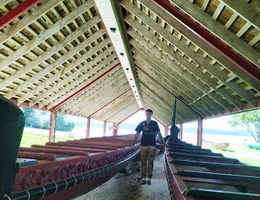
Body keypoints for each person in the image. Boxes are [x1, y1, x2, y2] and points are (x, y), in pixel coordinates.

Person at [132, 109, 167, 185]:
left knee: (150, 162)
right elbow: (137, 133)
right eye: (147, 113)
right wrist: (133, 143)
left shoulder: (155, 123)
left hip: (152, 145)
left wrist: (164, 143)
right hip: (143, 145)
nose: (148, 115)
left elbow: (159, 134)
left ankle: (149, 178)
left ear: (151, 115)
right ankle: (143, 177)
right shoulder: (142, 123)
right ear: (145, 114)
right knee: (143, 161)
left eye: (149, 114)